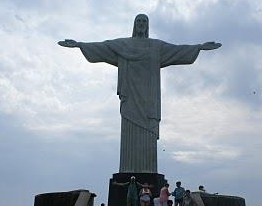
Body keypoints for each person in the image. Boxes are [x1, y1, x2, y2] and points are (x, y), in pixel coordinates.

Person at [58, 14, 222, 174]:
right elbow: (103, 47)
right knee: (129, 132)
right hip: (130, 97)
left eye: (144, 21)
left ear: (147, 25)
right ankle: (128, 169)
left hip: (149, 100)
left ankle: (147, 170)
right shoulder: (123, 45)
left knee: (147, 134)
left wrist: (198, 47)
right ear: (134, 24)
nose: (141, 23)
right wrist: (80, 45)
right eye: (139, 21)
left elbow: (177, 50)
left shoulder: (156, 46)